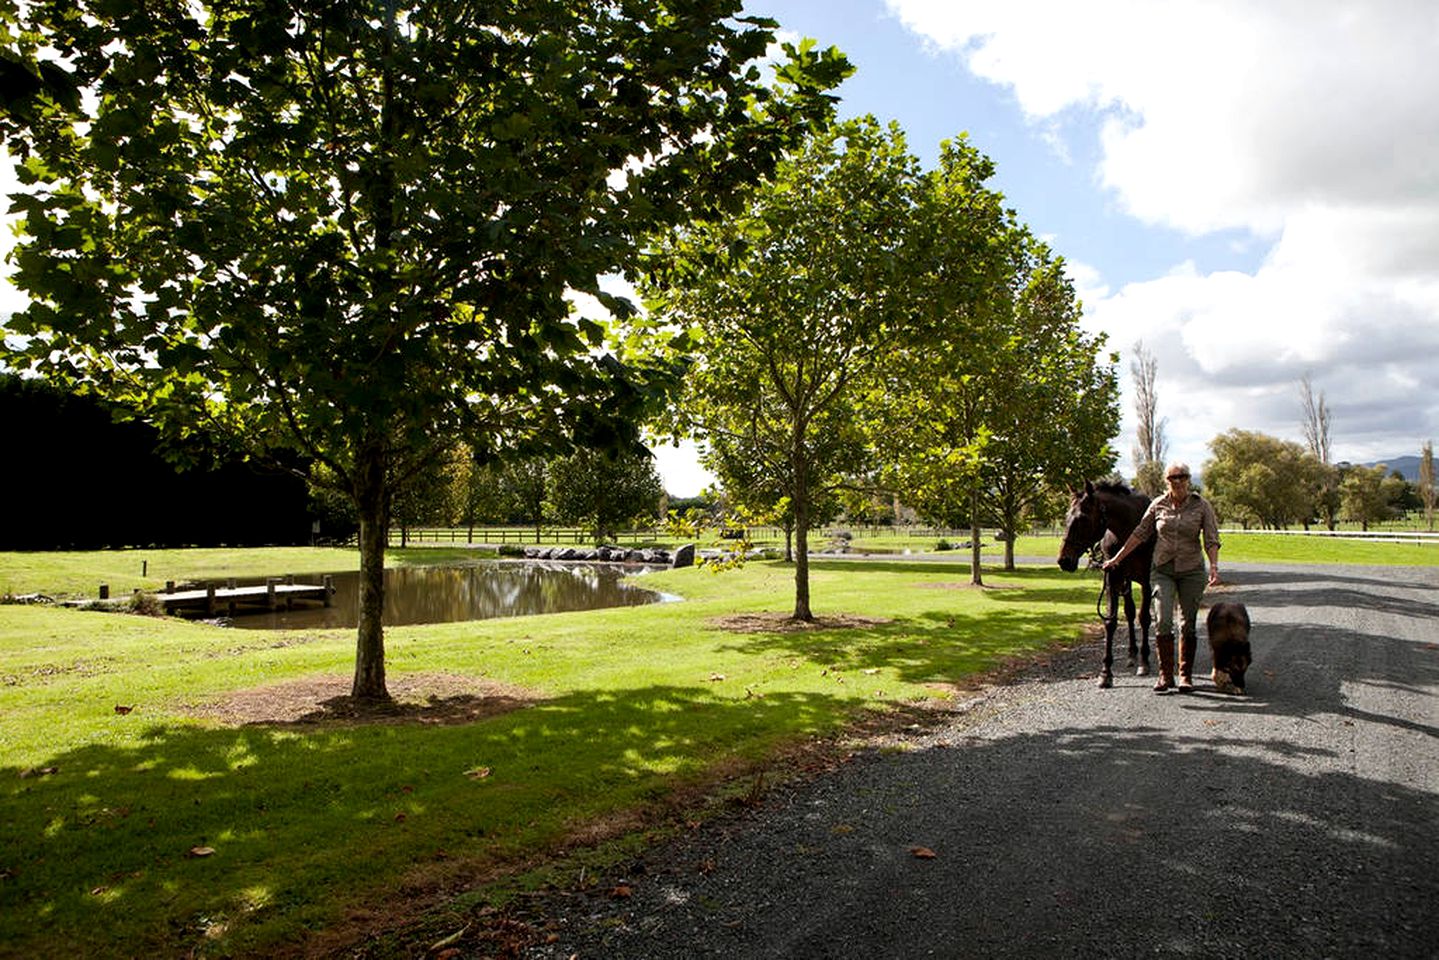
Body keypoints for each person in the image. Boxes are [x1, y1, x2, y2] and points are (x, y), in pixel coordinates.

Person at [1103, 461, 1221, 692]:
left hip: (1191, 570)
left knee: (1187, 622)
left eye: (1182, 477)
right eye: (1172, 478)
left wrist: (1214, 565)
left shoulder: (1201, 505)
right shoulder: (1158, 505)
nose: (1177, 481)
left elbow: (1211, 537)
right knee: (1163, 619)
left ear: (1188, 479)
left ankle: (1185, 676)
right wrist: (1117, 558)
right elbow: (1140, 533)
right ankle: (1166, 676)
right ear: (1166, 481)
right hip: (1163, 569)